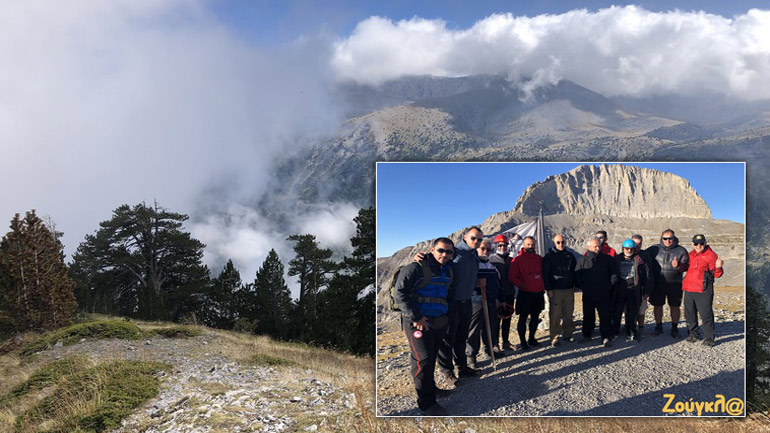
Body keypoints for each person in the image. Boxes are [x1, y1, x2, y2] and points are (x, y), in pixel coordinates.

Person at [392, 237, 455, 416]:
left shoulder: (449, 269)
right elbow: (399, 293)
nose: (445, 254)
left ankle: (431, 389)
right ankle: (426, 403)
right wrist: (417, 317)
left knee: (432, 355)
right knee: (423, 359)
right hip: (416, 321)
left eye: (449, 252)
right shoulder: (415, 268)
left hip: (438, 320)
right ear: (432, 250)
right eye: (441, 250)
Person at [436, 226, 483, 382]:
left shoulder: (473, 254)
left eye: (479, 239)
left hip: (467, 301)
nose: (476, 241)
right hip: (451, 302)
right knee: (447, 338)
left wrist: (477, 282)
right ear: (465, 237)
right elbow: (438, 263)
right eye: (473, 238)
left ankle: (462, 367)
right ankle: (447, 372)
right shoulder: (454, 252)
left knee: (462, 336)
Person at [466, 239, 504, 368]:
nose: (485, 251)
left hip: (491, 301)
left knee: (491, 327)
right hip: (477, 301)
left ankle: (489, 350)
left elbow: (498, 284)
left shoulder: (492, 265)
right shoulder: (472, 265)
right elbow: (464, 282)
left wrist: (500, 299)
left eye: (488, 249)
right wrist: (476, 283)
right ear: (476, 249)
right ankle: (471, 356)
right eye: (482, 248)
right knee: (474, 330)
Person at [575, 237, 619, 347]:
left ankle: (605, 336)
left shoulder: (607, 259)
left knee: (604, 315)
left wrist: (609, 285)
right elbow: (577, 275)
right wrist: (583, 286)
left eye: (599, 246)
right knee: (588, 315)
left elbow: (613, 273)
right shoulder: (582, 260)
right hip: (589, 293)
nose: (597, 248)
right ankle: (587, 335)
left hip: (603, 293)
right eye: (595, 246)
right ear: (589, 247)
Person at [646, 229, 689, 338]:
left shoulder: (681, 250)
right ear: (661, 238)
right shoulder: (653, 249)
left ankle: (674, 328)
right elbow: (643, 258)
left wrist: (678, 266)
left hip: (675, 283)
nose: (668, 240)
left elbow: (686, 266)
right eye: (665, 238)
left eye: (670, 238)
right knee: (657, 305)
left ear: (674, 238)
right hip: (658, 283)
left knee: (674, 306)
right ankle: (658, 326)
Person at [682, 234, 724, 347]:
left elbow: (717, 274)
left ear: (705, 243)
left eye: (701, 243)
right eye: (696, 243)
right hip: (689, 288)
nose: (698, 245)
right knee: (689, 313)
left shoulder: (711, 255)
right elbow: (685, 268)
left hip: (703, 289)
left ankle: (709, 337)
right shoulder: (690, 254)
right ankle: (693, 334)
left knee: (706, 314)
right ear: (692, 244)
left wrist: (719, 267)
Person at [508, 236, 545, 351]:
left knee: (535, 317)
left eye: (532, 244)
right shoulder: (517, 260)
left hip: (538, 293)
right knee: (523, 318)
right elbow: (511, 277)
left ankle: (532, 338)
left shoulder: (539, 258)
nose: (531, 246)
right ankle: (523, 341)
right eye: (528, 244)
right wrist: (521, 284)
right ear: (524, 245)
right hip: (525, 293)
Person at [611, 239, 652, 341]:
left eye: (631, 249)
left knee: (632, 312)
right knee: (617, 311)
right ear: (623, 248)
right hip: (619, 289)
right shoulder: (617, 259)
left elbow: (647, 276)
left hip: (634, 290)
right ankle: (615, 331)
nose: (629, 251)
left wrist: (646, 291)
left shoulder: (640, 260)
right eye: (627, 249)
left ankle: (631, 331)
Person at [542, 234, 577, 347]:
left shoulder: (570, 255)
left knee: (568, 313)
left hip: (569, 289)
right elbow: (545, 274)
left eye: (563, 242)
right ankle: (555, 337)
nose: (561, 244)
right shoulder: (549, 257)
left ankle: (567, 334)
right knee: (555, 315)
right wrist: (549, 289)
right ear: (554, 243)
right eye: (558, 242)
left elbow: (575, 271)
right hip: (555, 290)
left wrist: (575, 285)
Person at [489, 234, 516, 352]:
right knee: (496, 321)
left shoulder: (511, 260)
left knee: (507, 319)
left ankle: (506, 342)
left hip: (510, 293)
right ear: (496, 246)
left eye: (505, 245)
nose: (502, 247)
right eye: (500, 245)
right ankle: (495, 344)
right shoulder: (491, 261)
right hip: (497, 296)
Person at [632, 234, 654, 334]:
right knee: (629, 309)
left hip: (641, 287)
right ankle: (630, 327)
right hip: (629, 288)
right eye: (635, 243)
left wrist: (647, 290)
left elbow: (649, 274)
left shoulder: (645, 255)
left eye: (639, 244)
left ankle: (641, 327)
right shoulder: (624, 254)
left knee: (641, 309)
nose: (637, 246)